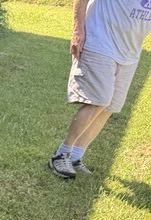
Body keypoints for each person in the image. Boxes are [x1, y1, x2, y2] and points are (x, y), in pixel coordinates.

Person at [49, 0, 151, 179]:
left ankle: (75, 157)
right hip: (99, 42)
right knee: (99, 100)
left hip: (130, 53)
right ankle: (61, 154)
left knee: (109, 107)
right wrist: (78, 30)